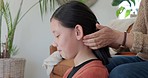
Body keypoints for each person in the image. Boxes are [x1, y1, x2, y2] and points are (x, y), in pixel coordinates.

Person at [83, 0, 148, 78]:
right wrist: (113, 40)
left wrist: (119, 37)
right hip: (144, 57)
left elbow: (127, 38)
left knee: (120, 73)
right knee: (96, 63)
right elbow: (135, 34)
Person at [50, 1, 111, 78]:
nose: (54, 44)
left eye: (57, 36)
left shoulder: (93, 73)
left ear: (78, 32)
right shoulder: (70, 72)